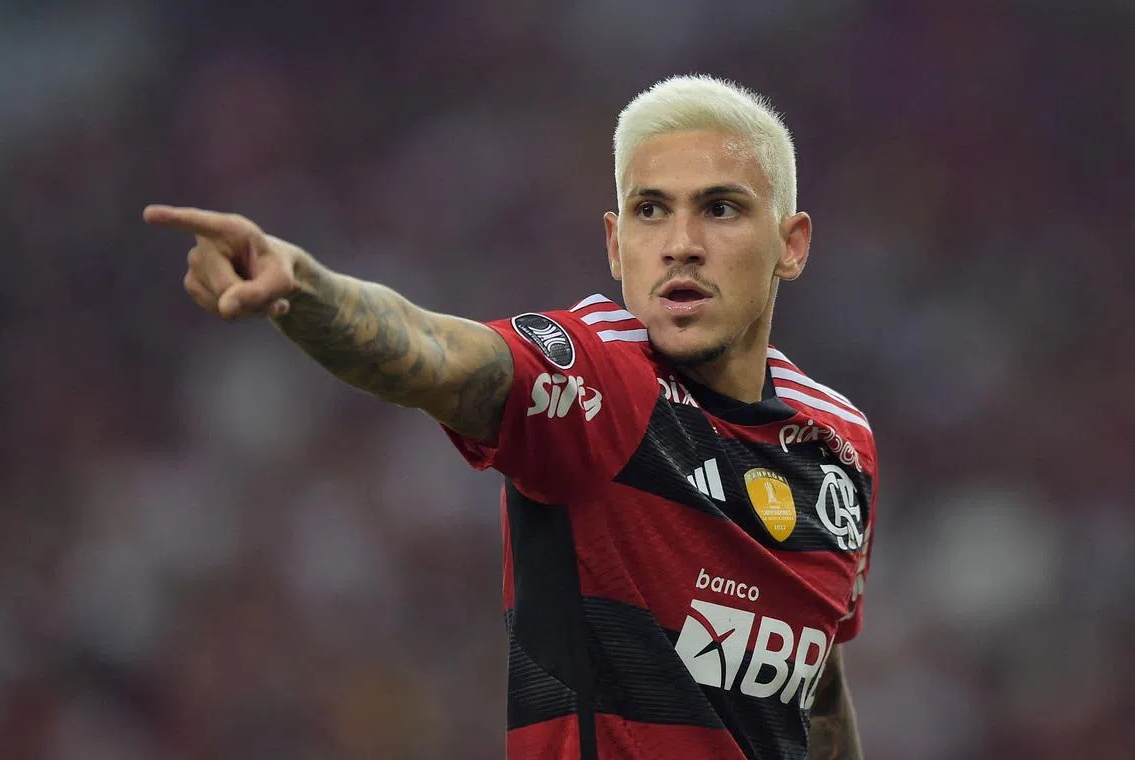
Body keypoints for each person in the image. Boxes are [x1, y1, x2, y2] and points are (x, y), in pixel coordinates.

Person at [145, 74, 876, 760]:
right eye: (651, 209)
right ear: (617, 247)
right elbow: (439, 353)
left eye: (720, 208)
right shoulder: (601, 380)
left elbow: (811, 671)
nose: (681, 244)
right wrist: (300, 287)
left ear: (791, 243)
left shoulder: (840, 443)